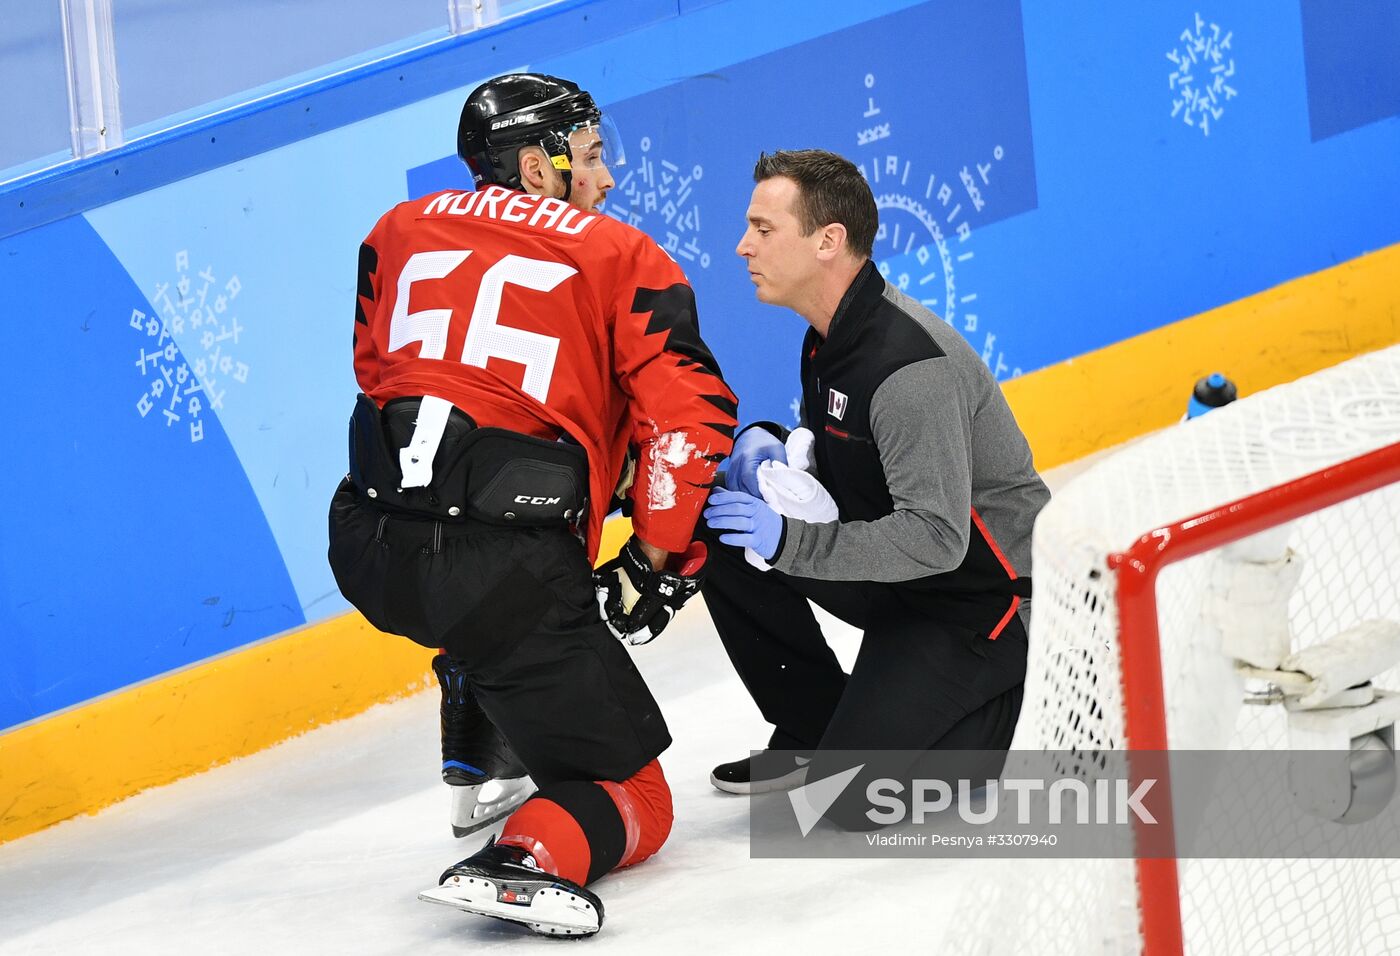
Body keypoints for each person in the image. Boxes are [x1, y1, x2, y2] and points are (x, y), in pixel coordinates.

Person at [327, 72, 736, 936]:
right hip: (499, 573)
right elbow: (693, 424)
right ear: (537, 167)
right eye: (590, 156)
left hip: (366, 540)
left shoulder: (395, 229)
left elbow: (380, 373)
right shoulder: (619, 253)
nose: (608, 179)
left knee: (484, 549)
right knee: (638, 799)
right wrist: (654, 564)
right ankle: (519, 857)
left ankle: (477, 750)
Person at [701, 149, 1049, 825]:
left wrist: (791, 541)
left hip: (983, 606)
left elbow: (936, 539)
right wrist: (772, 445)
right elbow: (846, 472)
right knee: (718, 529)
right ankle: (816, 725)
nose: (743, 246)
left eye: (764, 229)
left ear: (828, 241)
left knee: (854, 800)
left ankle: (1028, 712)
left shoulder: (910, 371)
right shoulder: (827, 340)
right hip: (908, 583)